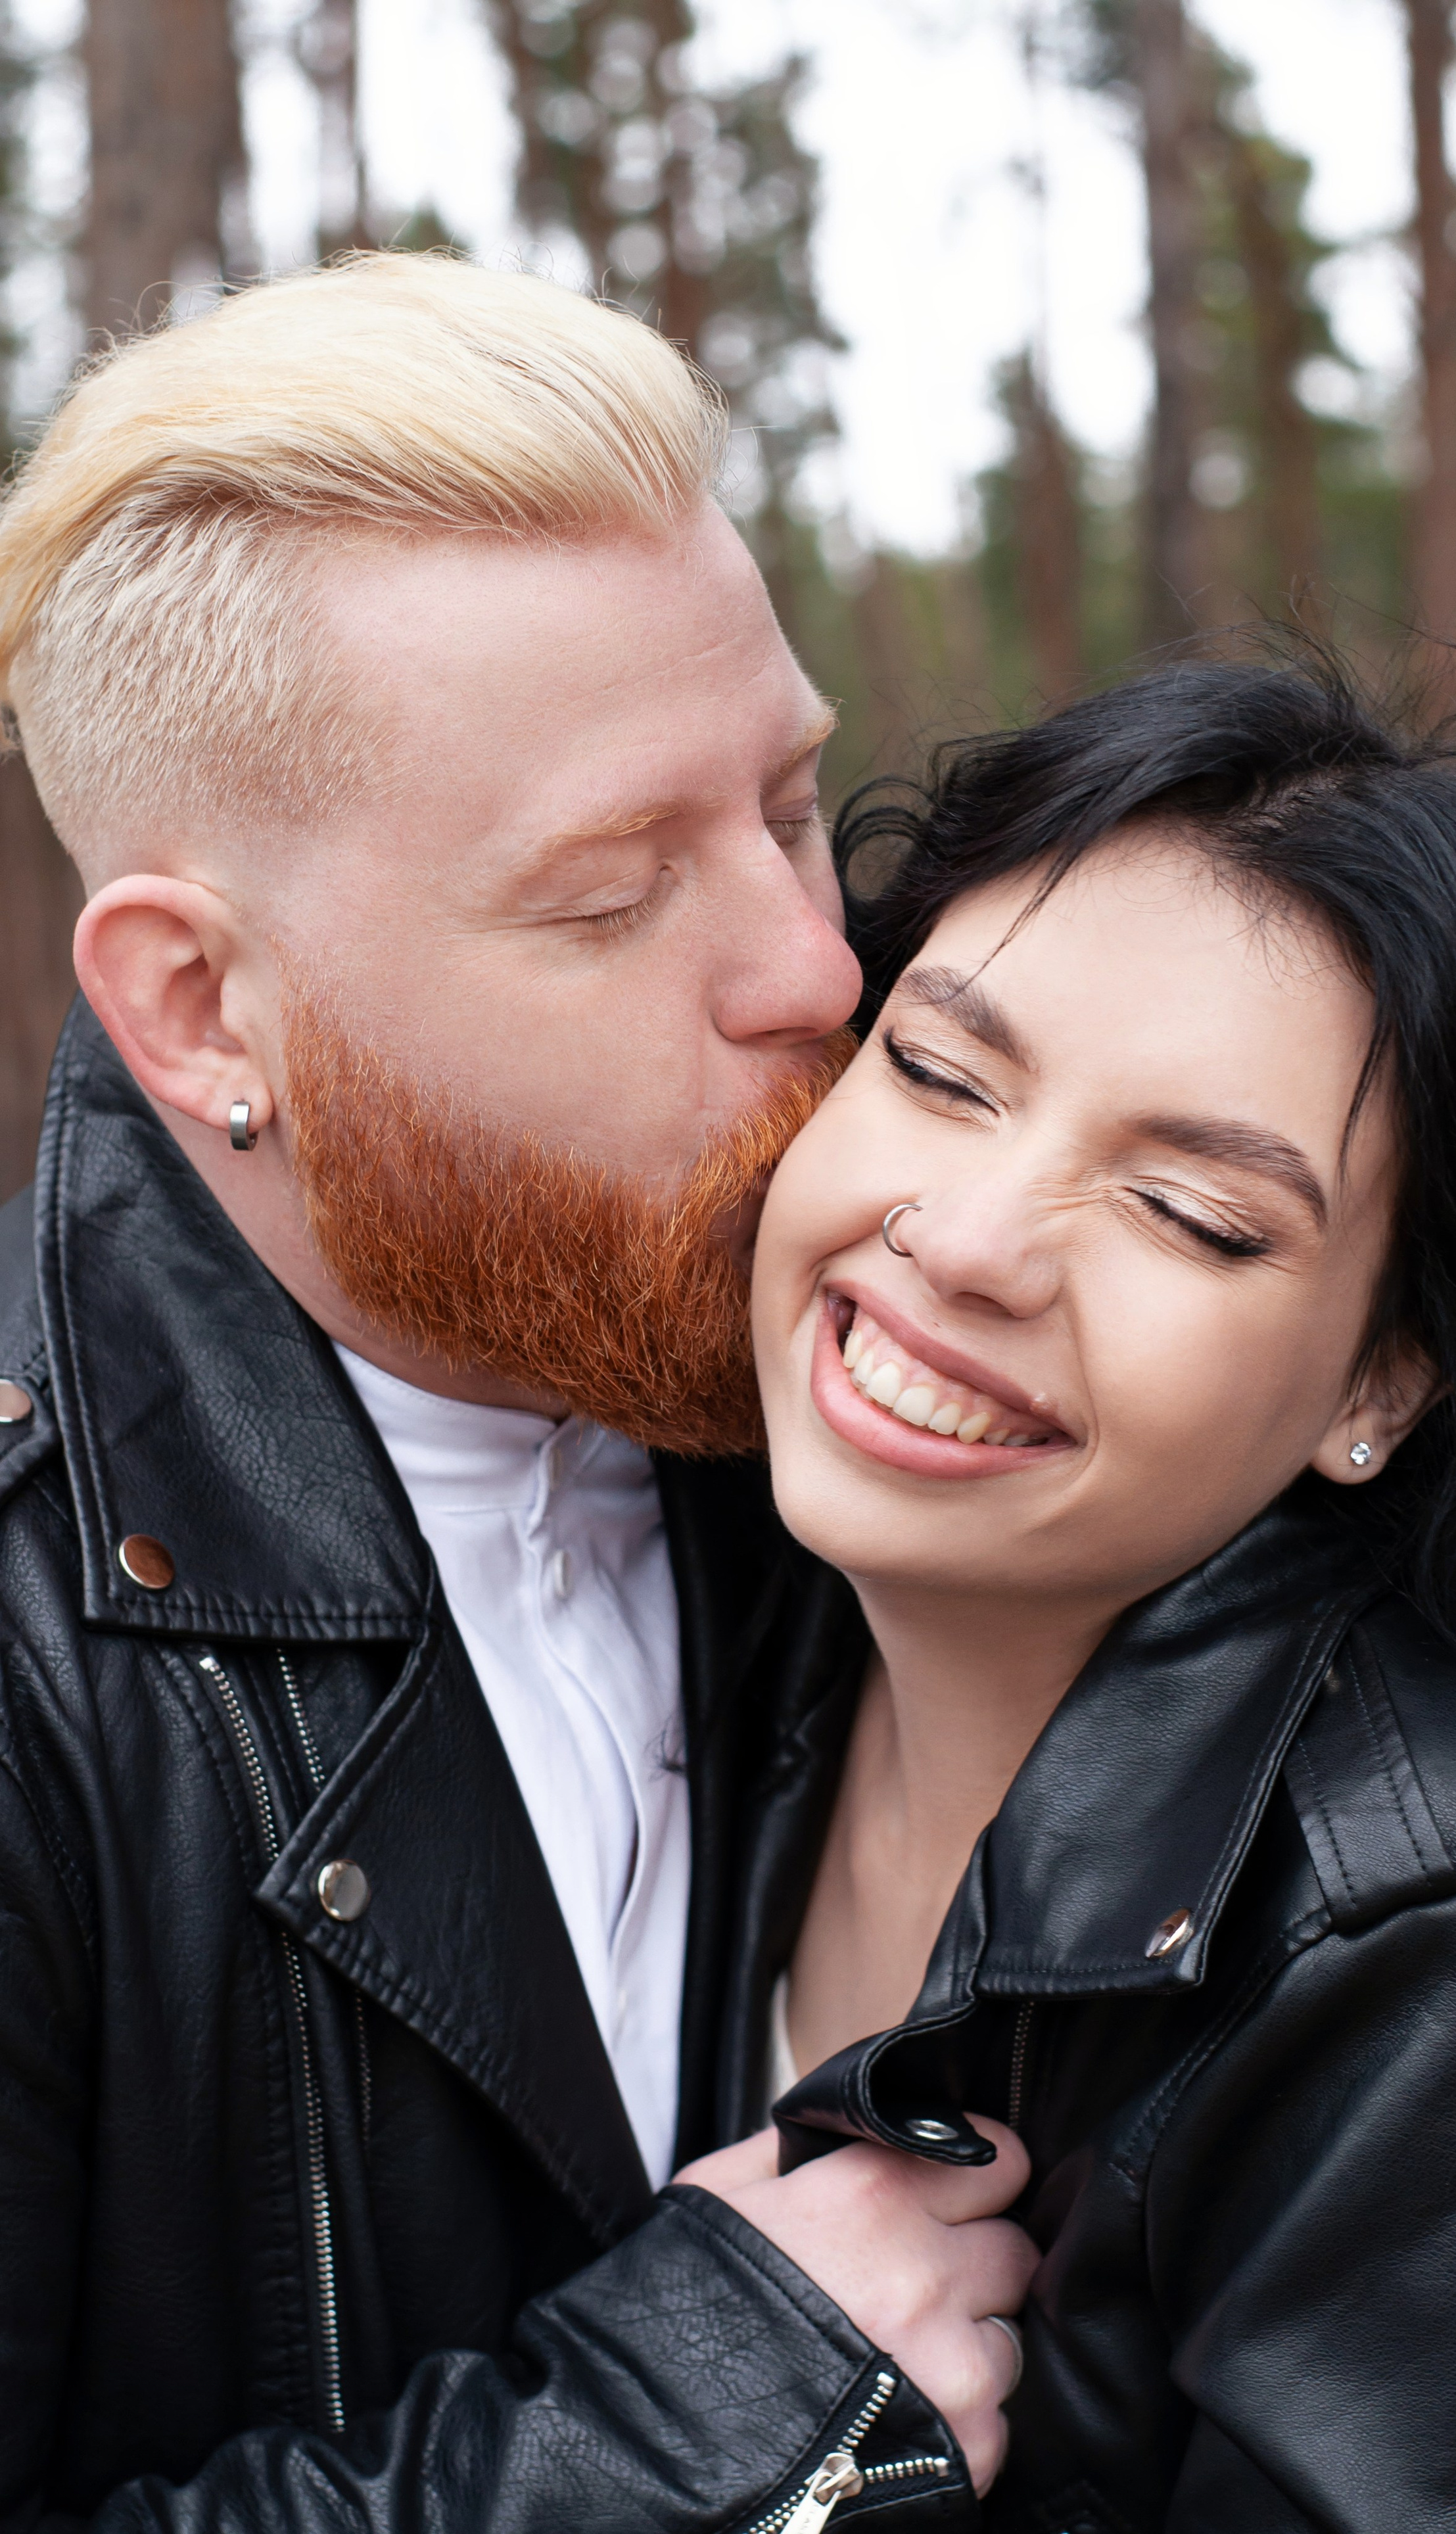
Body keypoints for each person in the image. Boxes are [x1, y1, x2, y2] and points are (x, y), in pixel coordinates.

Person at [0, 252, 1033, 2529]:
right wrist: (687, 2425)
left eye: (784, 802)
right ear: (198, 1006)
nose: (808, 964)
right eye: (603, 898)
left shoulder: (874, 1384)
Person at [713, 654, 1456, 2529]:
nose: (971, 1243)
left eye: (1193, 1214)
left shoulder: (1449, 1951)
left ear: (1384, 1380)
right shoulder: (704, 1595)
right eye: (938, 1072)